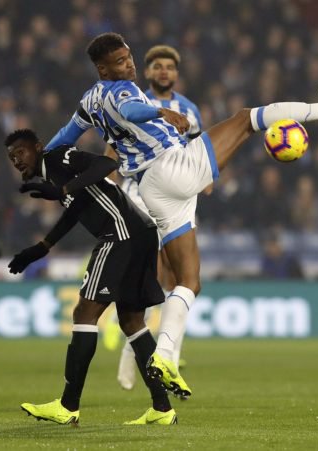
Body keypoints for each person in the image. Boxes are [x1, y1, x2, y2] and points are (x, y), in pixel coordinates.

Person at [46, 32, 318, 396]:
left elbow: (62, 139)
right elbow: (131, 110)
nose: (129, 65)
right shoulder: (122, 91)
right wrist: (160, 110)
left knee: (189, 282)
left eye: (129, 57)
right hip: (172, 168)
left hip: (153, 188)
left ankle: (164, 357)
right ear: (102, 68)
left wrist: (40, 163)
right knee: (245, 119)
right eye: (120, 61)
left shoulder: (90, 101)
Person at [6, 128, 177, 425]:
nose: (17, 160)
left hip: (120, 234)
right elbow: (78, 208)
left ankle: (68, 405)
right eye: (12, 158)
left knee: (84, 312)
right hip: (140, 233)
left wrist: (62, 191)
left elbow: (106, 166)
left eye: (20, 152)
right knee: (132, 321)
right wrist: (43, 246)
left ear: (38, 147)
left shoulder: (58, 157)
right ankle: (163, 408)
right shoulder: (55, 176)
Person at [107, 44, 203, 392]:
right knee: (151, 279)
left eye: (169, 68)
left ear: (176, 74)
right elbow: (112, 149)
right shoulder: (134, 103)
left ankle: (170, 361)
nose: (164, 72)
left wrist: (202, 183)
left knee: (179, 281)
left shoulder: (190, 109)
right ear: (147, 72)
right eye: (157, 67)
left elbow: (197, 150)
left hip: (179, 199)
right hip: (141, 198)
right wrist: (109, 182)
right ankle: (134, 354)